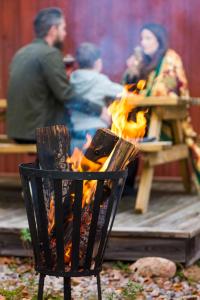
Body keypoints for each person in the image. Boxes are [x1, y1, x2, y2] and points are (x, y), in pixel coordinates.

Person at [122, 23, 197, 194]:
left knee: (133, 128)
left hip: (168, 120)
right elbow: (129, 88)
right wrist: (132, 70)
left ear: (159, 40)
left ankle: (127, 185)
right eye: (142, 38)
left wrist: (143, 95)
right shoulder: (146, 62)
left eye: (148, 38)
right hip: (146, 117)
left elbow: (166, 89)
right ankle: (125, 184)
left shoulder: (170, 58)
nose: (143, 42)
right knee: (125, 128)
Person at [6, 7, 74, 143]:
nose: (65, 33)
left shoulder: (20, 53)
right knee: (82, 136)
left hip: (16, 132)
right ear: (53, 30)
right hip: (39, 135)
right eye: (63, 28)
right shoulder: (50, 54)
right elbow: (66, 95)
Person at [67, 42, 123, 150]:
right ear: (98, 63)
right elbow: (123, 93)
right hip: (96, 133)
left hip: (75, 133)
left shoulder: (71, 80)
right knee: (97, 166)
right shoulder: (100, 80)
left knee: (76, 165)